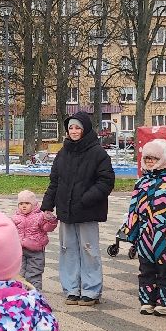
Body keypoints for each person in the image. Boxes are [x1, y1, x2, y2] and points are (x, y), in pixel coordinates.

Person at [42, 112, 115, 307]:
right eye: (71, 128)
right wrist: (47, 205)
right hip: (66, 211)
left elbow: (106, 181)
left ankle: (91, 290)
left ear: (85, 130)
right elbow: (54, 182)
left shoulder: (98, 153)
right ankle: (72, 289)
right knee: (68, 250)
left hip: (87, 211)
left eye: (77, 128)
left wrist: (86, 199)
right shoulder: (63, 153)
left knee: (89, 250)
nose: (74, 131)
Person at [110, 138, 166, 317]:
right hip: (145, 232)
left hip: (165, 233)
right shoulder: (142, 182)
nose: (149, 162)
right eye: (147, 158)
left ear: (163, 159)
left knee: (165, 268)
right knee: (146, 267)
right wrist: (131, 229)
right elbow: (134, 208)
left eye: (153, 158)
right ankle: (147, 300)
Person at [12, 189, 58, 293]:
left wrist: (51, 220)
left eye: (27, 203)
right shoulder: (15, 217)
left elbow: (47, 228)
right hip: (20, 250)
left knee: (34, 273)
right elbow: (11, 231)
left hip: (35, 250)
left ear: (33, 204)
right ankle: (20, 293)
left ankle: (35, 294)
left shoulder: (40, 216)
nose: (24, 206)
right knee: (19, 273)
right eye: (21, 204)